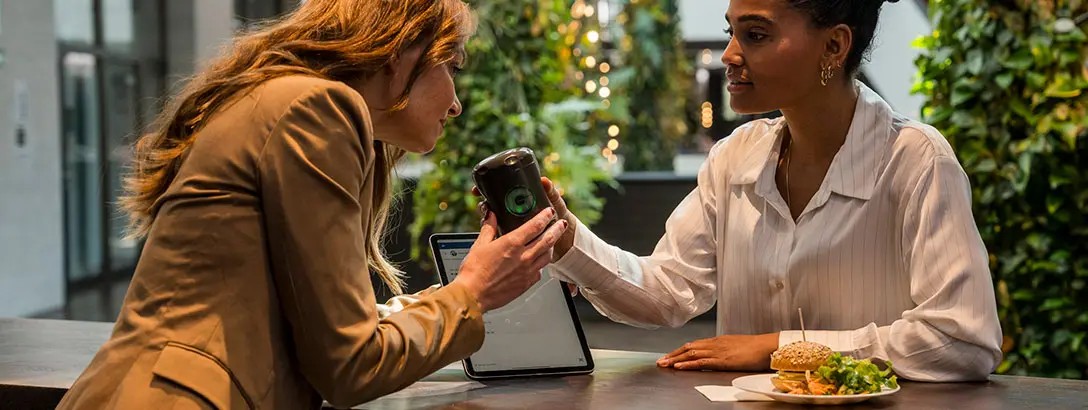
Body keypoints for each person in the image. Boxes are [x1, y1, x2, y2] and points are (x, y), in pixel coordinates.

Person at [57, 1, 568, 408]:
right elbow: (351, 365)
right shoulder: (317, 107)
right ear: (399, 51)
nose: (456, 103)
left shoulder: (286, 100)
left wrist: (467, 289)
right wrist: (472, 294)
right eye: (451, 66)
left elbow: (329, 333)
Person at [539, 0, 1002, 381]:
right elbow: (669, 291)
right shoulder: (734, 156)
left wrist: (779, 348)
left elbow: (963, 338)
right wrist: (566, 239)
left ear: (834, 45)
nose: (729, 55)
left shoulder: (917, 160)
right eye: (731, 32)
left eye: (755, 35)